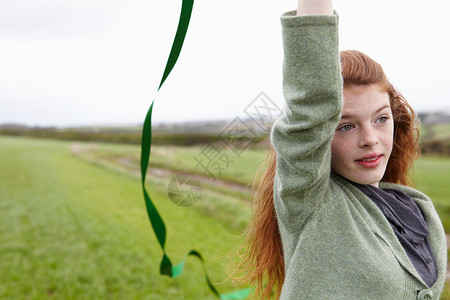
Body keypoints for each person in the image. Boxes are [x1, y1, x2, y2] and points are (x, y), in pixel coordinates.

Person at [234, 0, 447, 299]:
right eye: (346, 126)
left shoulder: (415, 209)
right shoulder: (312, 201)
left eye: (381, 119)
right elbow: (312, 100)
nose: (370, 139)